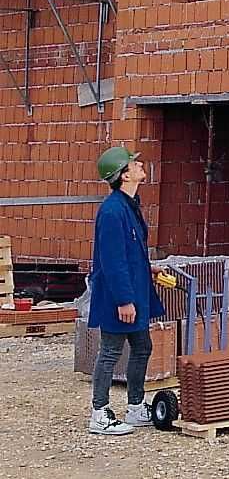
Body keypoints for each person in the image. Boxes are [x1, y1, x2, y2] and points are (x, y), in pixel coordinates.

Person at [87, 145, 165, 435]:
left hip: (134, 291)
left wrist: (148, 269)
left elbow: (130, 251)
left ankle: (134, 407)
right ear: (123, 175)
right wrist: (124, 300)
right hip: (119, 296)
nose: (139, 164)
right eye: (133, 163)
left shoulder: (129, 205)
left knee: (143, 346)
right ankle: (99, 413)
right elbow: (112, 259)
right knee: (110, 351)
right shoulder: (111, 211)